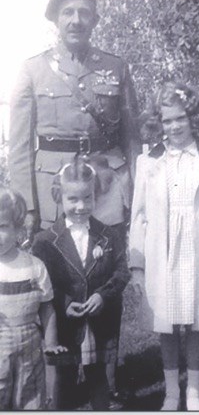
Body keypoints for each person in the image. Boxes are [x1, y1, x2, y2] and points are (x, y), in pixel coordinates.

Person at [129, 81, 199, 411]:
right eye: (167, 121)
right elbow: (139, 216)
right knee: (166, 323)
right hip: (163, 251)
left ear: (192, 117)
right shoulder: (148, 161)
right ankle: (171, 392)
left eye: (180, 118)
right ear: (158, 123)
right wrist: (137, 266)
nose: (174, 126)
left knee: (195, 323)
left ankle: (193, 391)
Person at [9, 0, 140, 237]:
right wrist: (27, 206)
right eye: (68, 13)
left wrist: (137, 194)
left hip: (107, 188)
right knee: (57, 266)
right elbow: (19, 147)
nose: (76, 21)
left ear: (95, 21)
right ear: (56, 20)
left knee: (110, 264)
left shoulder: (116, 67)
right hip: (54, 192)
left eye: (84, 13)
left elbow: (132, 139)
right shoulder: (32, 70)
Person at [32, 156, 130, 410]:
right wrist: (64, 303)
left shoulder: (108, 236)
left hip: (101, 320)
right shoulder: (46, 240)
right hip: (64, 322)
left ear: (96, 196)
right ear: (59, 198)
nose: (80, 206)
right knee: (63, 379)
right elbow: (45, 282)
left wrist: (103, 295)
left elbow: (121, 272)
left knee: (99, 377)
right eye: (72, 199)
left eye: (87, 198)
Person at [0, 186, 66, 410]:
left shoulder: (34, 266)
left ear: (18, 228)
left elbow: (47, 309)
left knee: (30, 396)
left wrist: (52, 342)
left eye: (2, 227)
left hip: (30, 344)